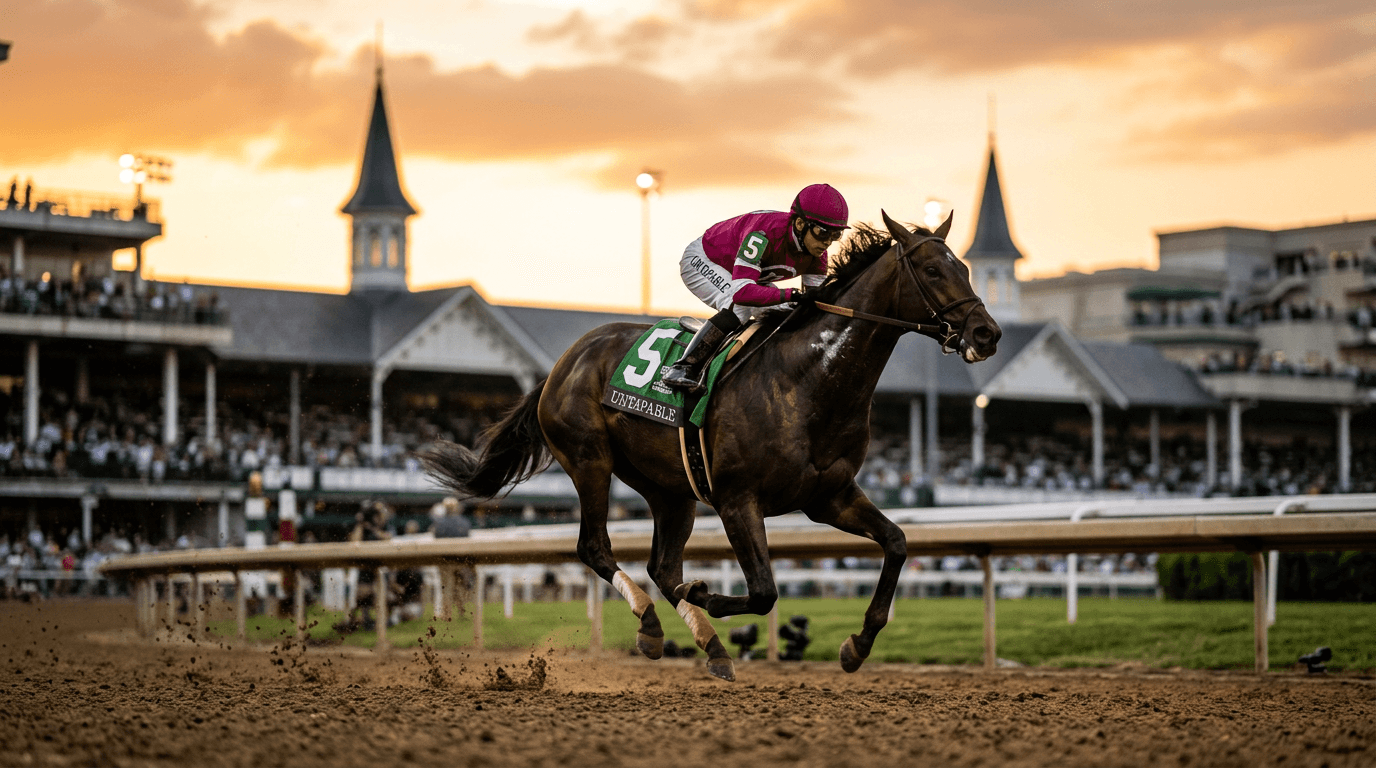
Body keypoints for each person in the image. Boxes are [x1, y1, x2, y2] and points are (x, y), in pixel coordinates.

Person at [663, 183, 848, 394]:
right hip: (703, 260)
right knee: (739, 307)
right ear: (799, 223)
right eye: (822, 232)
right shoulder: (763, 234)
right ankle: (683, 367)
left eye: (835, 235)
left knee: (786, 311)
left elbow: (814, 305)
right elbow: (742, 294)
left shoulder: (817, 254)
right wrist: (792, 294)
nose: (827, 243)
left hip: (745, 275)